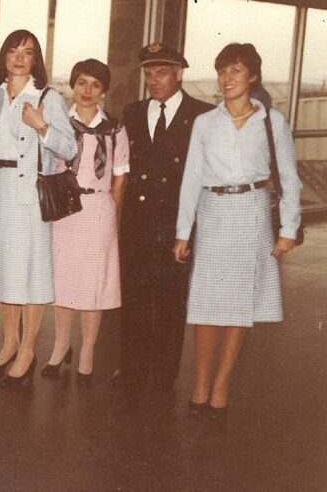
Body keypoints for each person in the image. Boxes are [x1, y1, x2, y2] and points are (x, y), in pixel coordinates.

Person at [173, 43, 301, 416]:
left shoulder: (271, 121)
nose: (226, 79)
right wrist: (184, 231)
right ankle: (199, 385)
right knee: (207, 304)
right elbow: (191, 178)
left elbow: (290, 179)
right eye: (222, 71)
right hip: (213, 213)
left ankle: (221, 384)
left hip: (253, 214)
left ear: (253, 77)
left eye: (235, 71)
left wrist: (288, 228)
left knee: (238, 305)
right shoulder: (205, 123)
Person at [0, 29, 77, 389]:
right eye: (14, 51)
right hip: (0, 192)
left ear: (36, 61)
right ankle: (9, 343)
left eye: (28, 52)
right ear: (3, 57)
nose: (20, 58)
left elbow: (69, 148)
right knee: (7, 271)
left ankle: (28, 350)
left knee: (31, 273)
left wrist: (42, 126)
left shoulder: (48, 98)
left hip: (31, 196)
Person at [113, 42, 213, 394]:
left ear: (179, 74)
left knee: (170, 302)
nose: (153, 81)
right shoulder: (133, 111)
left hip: (175, 223)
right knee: (135, 300)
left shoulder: (202, 114)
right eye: (149, 74)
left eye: (161, 73)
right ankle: (132, 367)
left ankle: (164, 372)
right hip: (138, 223)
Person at [45, 59, 129, 385]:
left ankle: (88, 351)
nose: (87, 91)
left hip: (98, 207)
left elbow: (121, 176)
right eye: (81, 83)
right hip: (66, 208)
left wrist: (113, 213)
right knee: (64, 282)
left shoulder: (115, 128)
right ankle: (60, 345)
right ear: (72, 85)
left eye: (95, 85)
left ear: (103, 90)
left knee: (94, 285)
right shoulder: (59, 124)